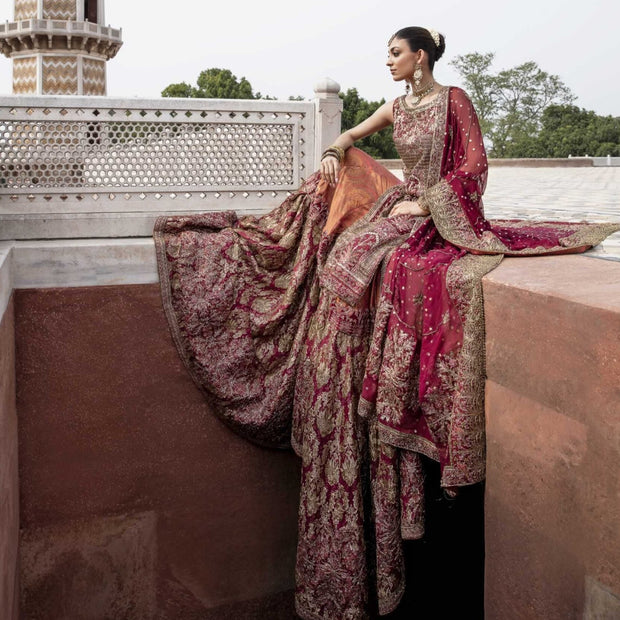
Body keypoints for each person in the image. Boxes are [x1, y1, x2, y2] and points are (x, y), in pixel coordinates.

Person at [154, 27, 619, 620]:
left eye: (396, 53)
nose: (389, 62)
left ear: (420, 56)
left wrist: (427, 203)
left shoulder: (454, 101)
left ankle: (364, 368)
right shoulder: (395, 107)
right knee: (349, 249)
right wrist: (332, 152)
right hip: (400, 205)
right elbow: (350, 134)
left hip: (437, 214)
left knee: (374, 254)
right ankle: (333, 360)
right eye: (388, 54)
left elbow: (475, 164)